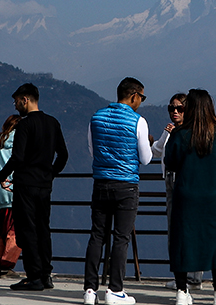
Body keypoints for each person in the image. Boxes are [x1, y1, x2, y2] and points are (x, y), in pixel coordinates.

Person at [83, 77, 153, 305]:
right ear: (134, 95)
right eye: (141, 97)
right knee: (121, 238)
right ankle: (115, 291)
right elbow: (145, 159)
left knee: (97, 236)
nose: (141, 102)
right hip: (126, 186)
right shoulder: (138, 121)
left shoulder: (96, 117)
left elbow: (93, 152)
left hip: (101, 183)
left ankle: (90, 291)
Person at [166, 89, 216, 305]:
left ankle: (182, 291)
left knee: (182, 239)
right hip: (214, 194)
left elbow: (170, 162)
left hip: (186, 193)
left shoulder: (180, 134)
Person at [0, 83, 69, 292]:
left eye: (16, 101)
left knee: (26, 230)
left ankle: (33, 276)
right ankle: (46, 274)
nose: (15, 105)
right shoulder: (53, 123)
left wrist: (3, 175)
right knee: (43, 229)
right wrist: (51, 174)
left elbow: (17, 157)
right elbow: (63, 155)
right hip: (44, 186)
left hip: (25, 185)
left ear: (25, 100)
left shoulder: (24, 125)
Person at [150, 93, 205, 291]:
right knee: (174, 229)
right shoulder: (171, 130)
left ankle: (191, 278)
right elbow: (157, 151)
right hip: (170, 181)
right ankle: (182, 277)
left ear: (188, 110)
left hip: (184, 181)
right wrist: (161, 137)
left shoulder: (190, 131)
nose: (174, 112)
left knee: (188, 229)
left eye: (179, 108)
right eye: (171, 108)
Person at [0, 113, 23, 278]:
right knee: (15, 231)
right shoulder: (19, 140)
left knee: (3, 230)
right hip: (14, 190)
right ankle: (6, 264)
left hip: (0, 191)